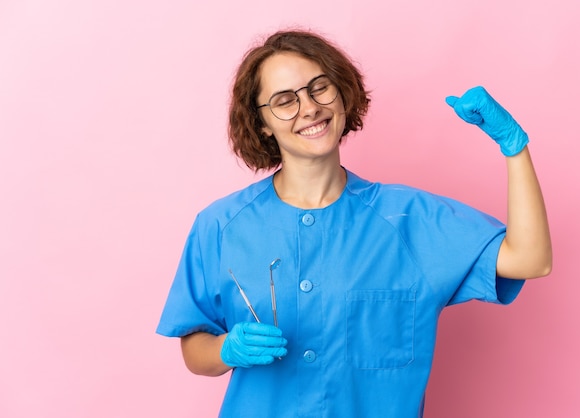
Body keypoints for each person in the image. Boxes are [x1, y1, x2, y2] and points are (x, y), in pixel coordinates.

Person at [156, 29, 552, 418]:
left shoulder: (409, 220)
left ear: (342, 92)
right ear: (262, 124)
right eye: (284, 101)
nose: (309, 108)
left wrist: (513, 146)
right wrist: (226, 348)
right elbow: (195, 348)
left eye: (319, 88)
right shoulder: (222, 226)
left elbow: (531, 260)